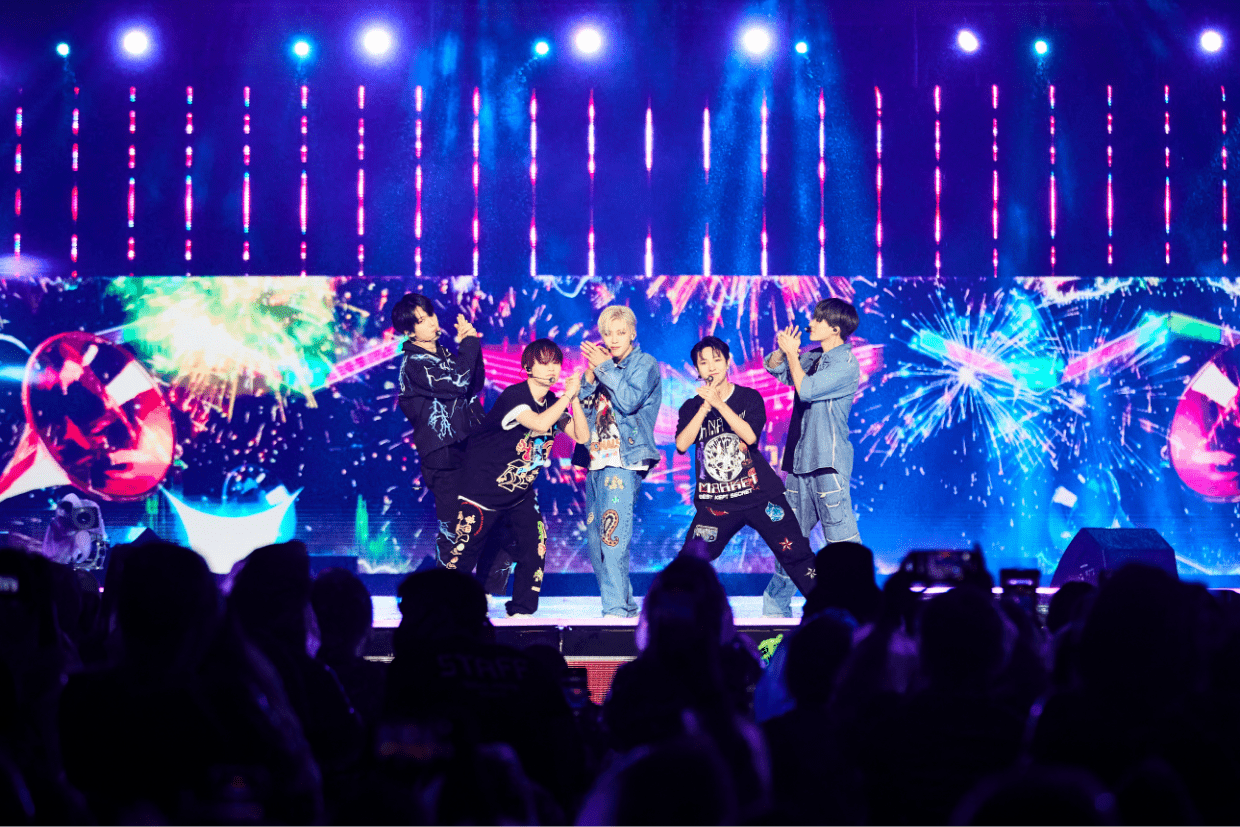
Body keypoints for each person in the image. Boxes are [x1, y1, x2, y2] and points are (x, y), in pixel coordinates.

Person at [441, 338, 587, 616]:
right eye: (543, 363)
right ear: (528, 367)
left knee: (535, 544)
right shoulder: (514, 396)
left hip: (520, 493)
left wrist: (575, 398)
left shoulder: (553, 402)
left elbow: (581, 436)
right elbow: (539, 423)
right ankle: (446, 608)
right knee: (464, 553)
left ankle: (522, 610)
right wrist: (567, 397)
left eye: (556, 363)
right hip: (483, 489)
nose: (551, 369)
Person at [674, 336, 817, 597]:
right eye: (703, 363)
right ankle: (677, 615)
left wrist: (719, 404)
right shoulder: (691, 407)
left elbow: (750, 437)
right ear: (697, 370)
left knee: (797, 555)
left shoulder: (748, 397)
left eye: (717, 360)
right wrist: (705, 408)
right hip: (716, 504)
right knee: (689, 563)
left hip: (761, 496)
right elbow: (682, 444)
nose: (711, 367)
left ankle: (827, 608)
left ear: (728, 362)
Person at [393, 293, 512, 592]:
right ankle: (447, 596)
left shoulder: (443, 355)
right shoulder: (414, 363)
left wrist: (473, 345)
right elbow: (459, 383)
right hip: (443, 455)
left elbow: (472, 384)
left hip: (469, 447)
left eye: (430, 315)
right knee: (454, 529)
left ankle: (484, 588)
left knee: (492, 516)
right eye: (421, 321)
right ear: (409, 331)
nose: (431, 322)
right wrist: (468, 344)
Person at [762, 298, 862, 617]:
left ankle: (854, 606)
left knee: (841, 543)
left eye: (819, 319)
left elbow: (806, 390)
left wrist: (793, 355)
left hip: (827, 465)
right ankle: (775, 607)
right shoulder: (814, 357)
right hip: (800, 463)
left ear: (835, 329)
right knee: (790, 539)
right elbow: (777, 370)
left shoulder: (846, 363)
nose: (812, 323)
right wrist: (783, 352)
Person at [575, 305, 663, 618]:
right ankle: (624, 604)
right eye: (608, 334)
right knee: (596, 543)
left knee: (612, 538)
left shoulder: (644, 363)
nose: (613, 339)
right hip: (596, 460)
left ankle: (613, 610)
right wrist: (588, 379)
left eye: (621, 333)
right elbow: (583, 416)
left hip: (624, 461)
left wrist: (602, 369)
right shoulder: (601, 367)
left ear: (632, 334)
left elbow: (628, 401)